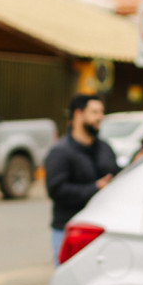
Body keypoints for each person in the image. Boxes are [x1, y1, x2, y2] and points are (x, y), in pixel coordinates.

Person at [44, 94, 118, 265]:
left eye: (102, 112)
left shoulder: (105, 148)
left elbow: (115, 176)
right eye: (94, 112)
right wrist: (95, 188)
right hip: (70, 232)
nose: (100, 117)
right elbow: (57, 190)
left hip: (102, 230)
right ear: (78, 114)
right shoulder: (60, 151)